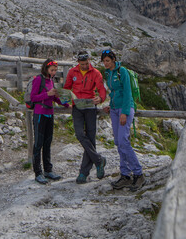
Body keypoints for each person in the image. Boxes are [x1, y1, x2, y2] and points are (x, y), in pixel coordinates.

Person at [100, 49, 145, 191]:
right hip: (114, 109)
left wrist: (125, 112)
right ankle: (125, 175)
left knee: (124, 141)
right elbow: (113, 92)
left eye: (107, 61)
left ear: (113, 60)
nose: (105, 63)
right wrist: (110, 106)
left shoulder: (122, 71)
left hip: (124, 109)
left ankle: (138, 173)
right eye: (104, 61)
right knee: (119, 142)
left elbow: (127, 92)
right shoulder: (109, 73)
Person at [63, 51, 107, 183]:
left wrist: (101, 98)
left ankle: (83, 173)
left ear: (89, 61)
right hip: (77, 106)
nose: (85, 66)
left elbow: (101, 89)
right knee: (79, 134)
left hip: (90, 106)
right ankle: (99, 160)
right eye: (82, 64)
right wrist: (65, 100)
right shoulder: (72, 72)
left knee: (90, 137)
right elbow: (67, 87)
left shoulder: (96, 73)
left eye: (86, 63)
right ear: (78, 62)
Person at [30, 59, 67, 184]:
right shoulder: (38, 79)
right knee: (38, 143)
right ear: (46, 69)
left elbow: (54, 97)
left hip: (49, 114)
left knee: (47, 142)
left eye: (56, 70)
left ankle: (48, 170)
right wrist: (47, 94)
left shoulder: (51, 80)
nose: (54, 72)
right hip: (40, 114)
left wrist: (66, 104)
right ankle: (38, 173)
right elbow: (33, 97)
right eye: (52, 70)